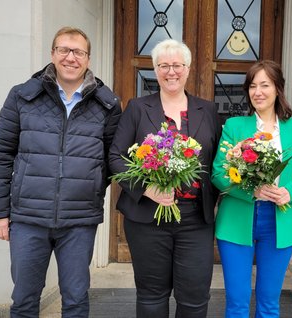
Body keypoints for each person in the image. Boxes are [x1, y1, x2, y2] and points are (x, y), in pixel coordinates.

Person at [0, 27, 122, 317]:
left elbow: (112, 160)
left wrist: (92, 189)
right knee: (24, 300)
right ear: (52, 54)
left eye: (78, 52)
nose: (71, 57)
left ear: (88, 58)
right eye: (64, 50)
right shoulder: (22, 96)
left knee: (75, 300)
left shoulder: (107, 104)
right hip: (27, 219)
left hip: (79, 220)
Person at [109, 39, 221, 317]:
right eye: (164, 66)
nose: (171, 72)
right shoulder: (137, 107)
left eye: (177, 65)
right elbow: (115, 157)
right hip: (148, 218)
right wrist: (147, 189)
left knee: (195, 297)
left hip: (195, 219)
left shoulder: (207, 110)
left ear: (188, 68)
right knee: (151, 296)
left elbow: (218, 160)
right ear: (155, 69)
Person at [211, 60, 292, 317]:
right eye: (253, 86)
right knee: (237, 301)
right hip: (237, 218)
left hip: (279, 219)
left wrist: (288, 191)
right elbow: (218, 174)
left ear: (278, 88)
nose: (258, 92)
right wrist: (250, 191)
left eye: (265, 85)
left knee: (269, 302)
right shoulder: (235, 126)